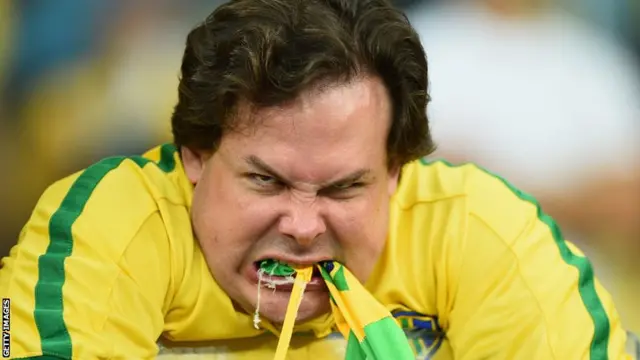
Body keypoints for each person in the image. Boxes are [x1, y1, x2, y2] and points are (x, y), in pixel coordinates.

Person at [0, 0, 636, 359]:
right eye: (265, 181)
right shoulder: (107, 225)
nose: (303, 227)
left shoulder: (479, 230)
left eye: (343, 188)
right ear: (194, 156)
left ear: (395, 171)